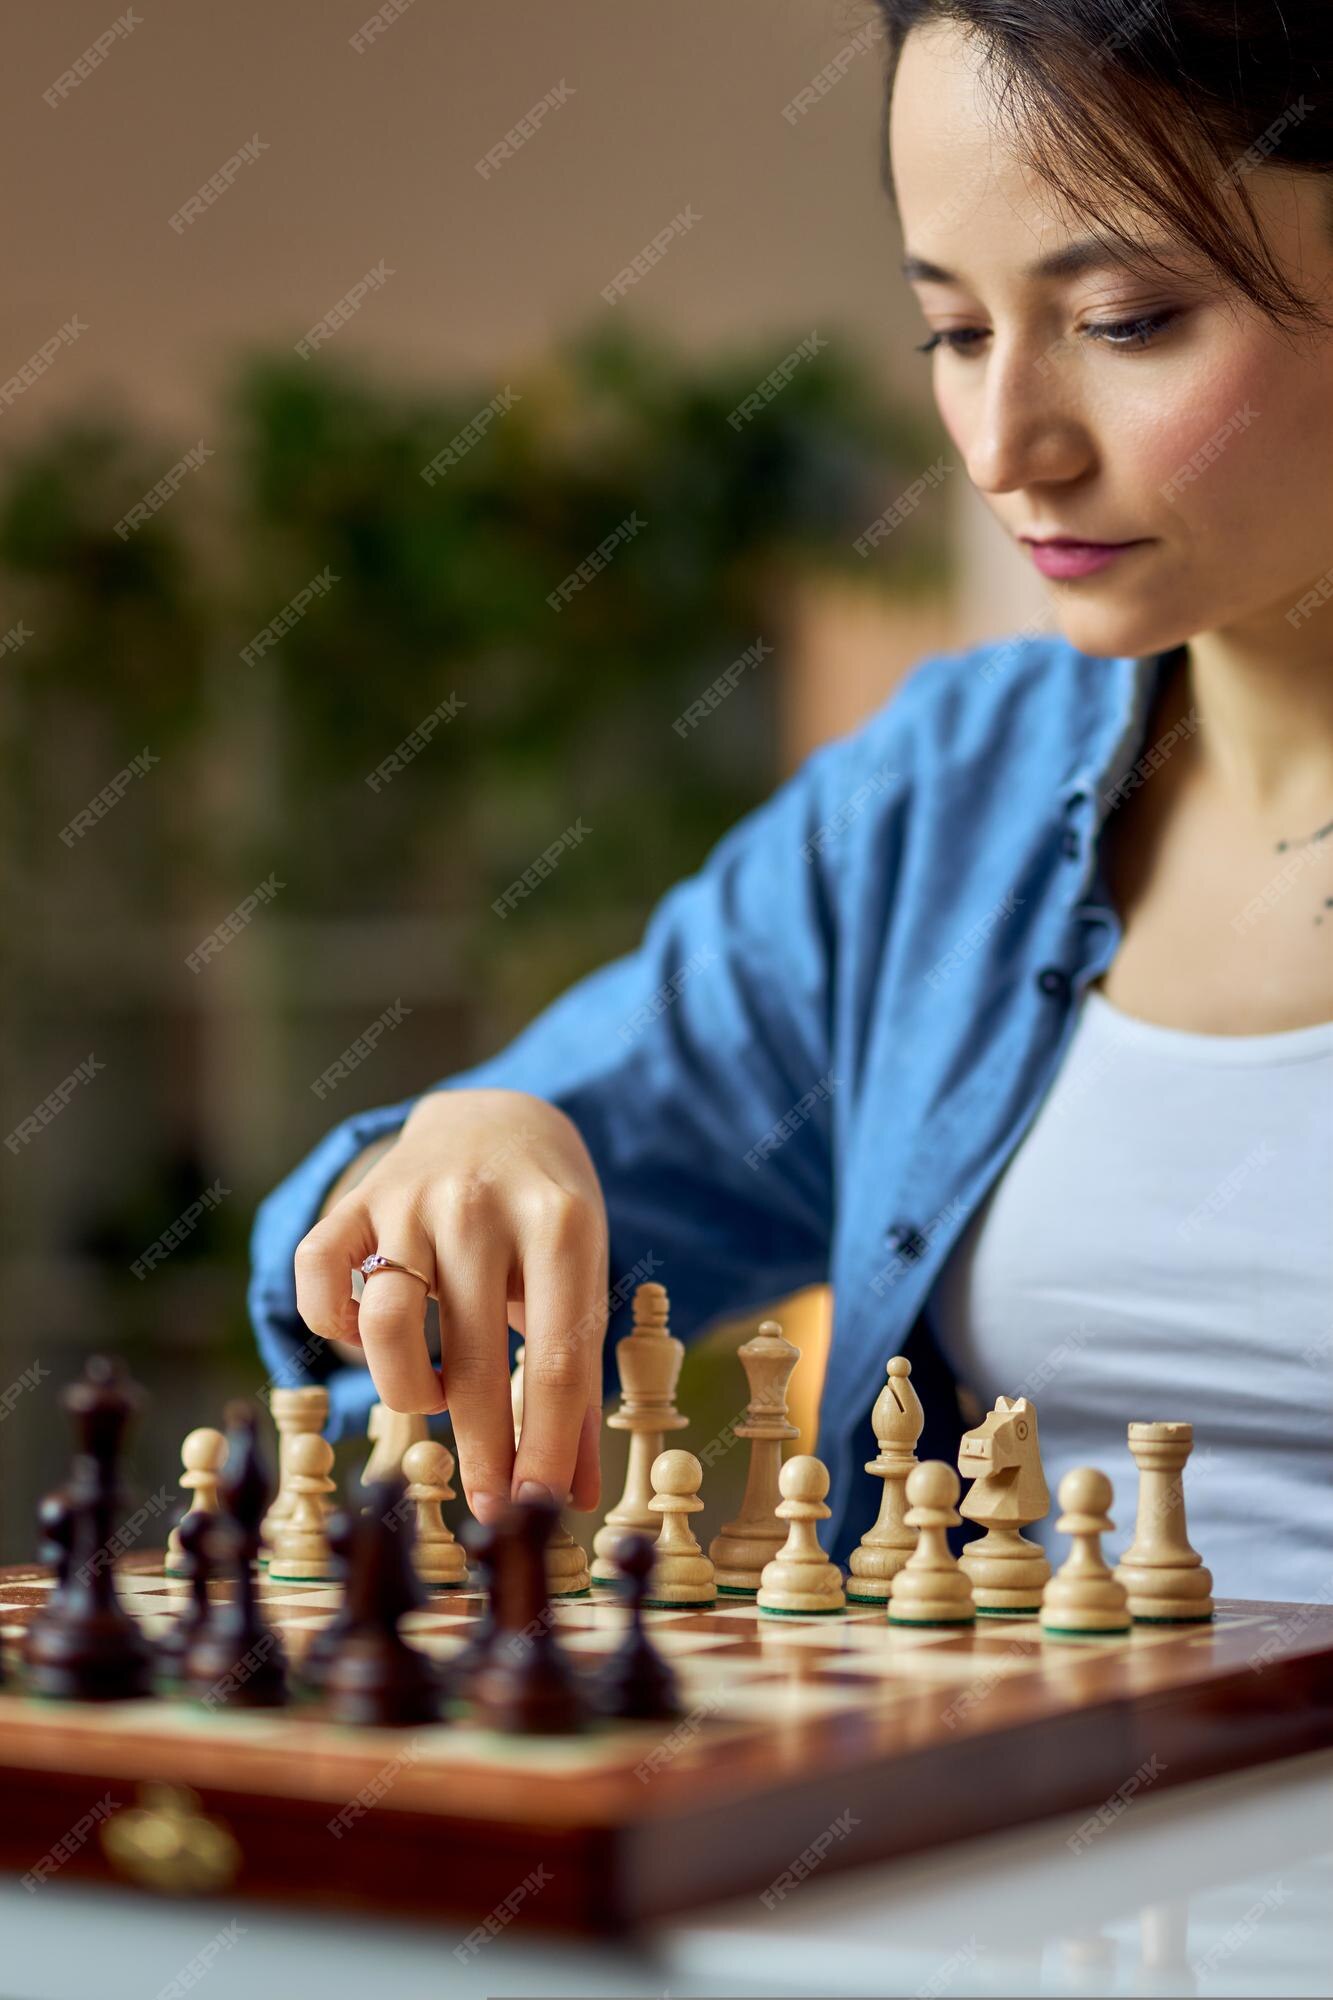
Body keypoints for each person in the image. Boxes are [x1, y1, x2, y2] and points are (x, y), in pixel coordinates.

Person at [250, 0, 1333, 1600]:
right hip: (1015, 1842)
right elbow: (390, 1295)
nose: (1003, 445)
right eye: (953, 334)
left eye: (1121, 320)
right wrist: (455, 1154)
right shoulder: (939, 807)